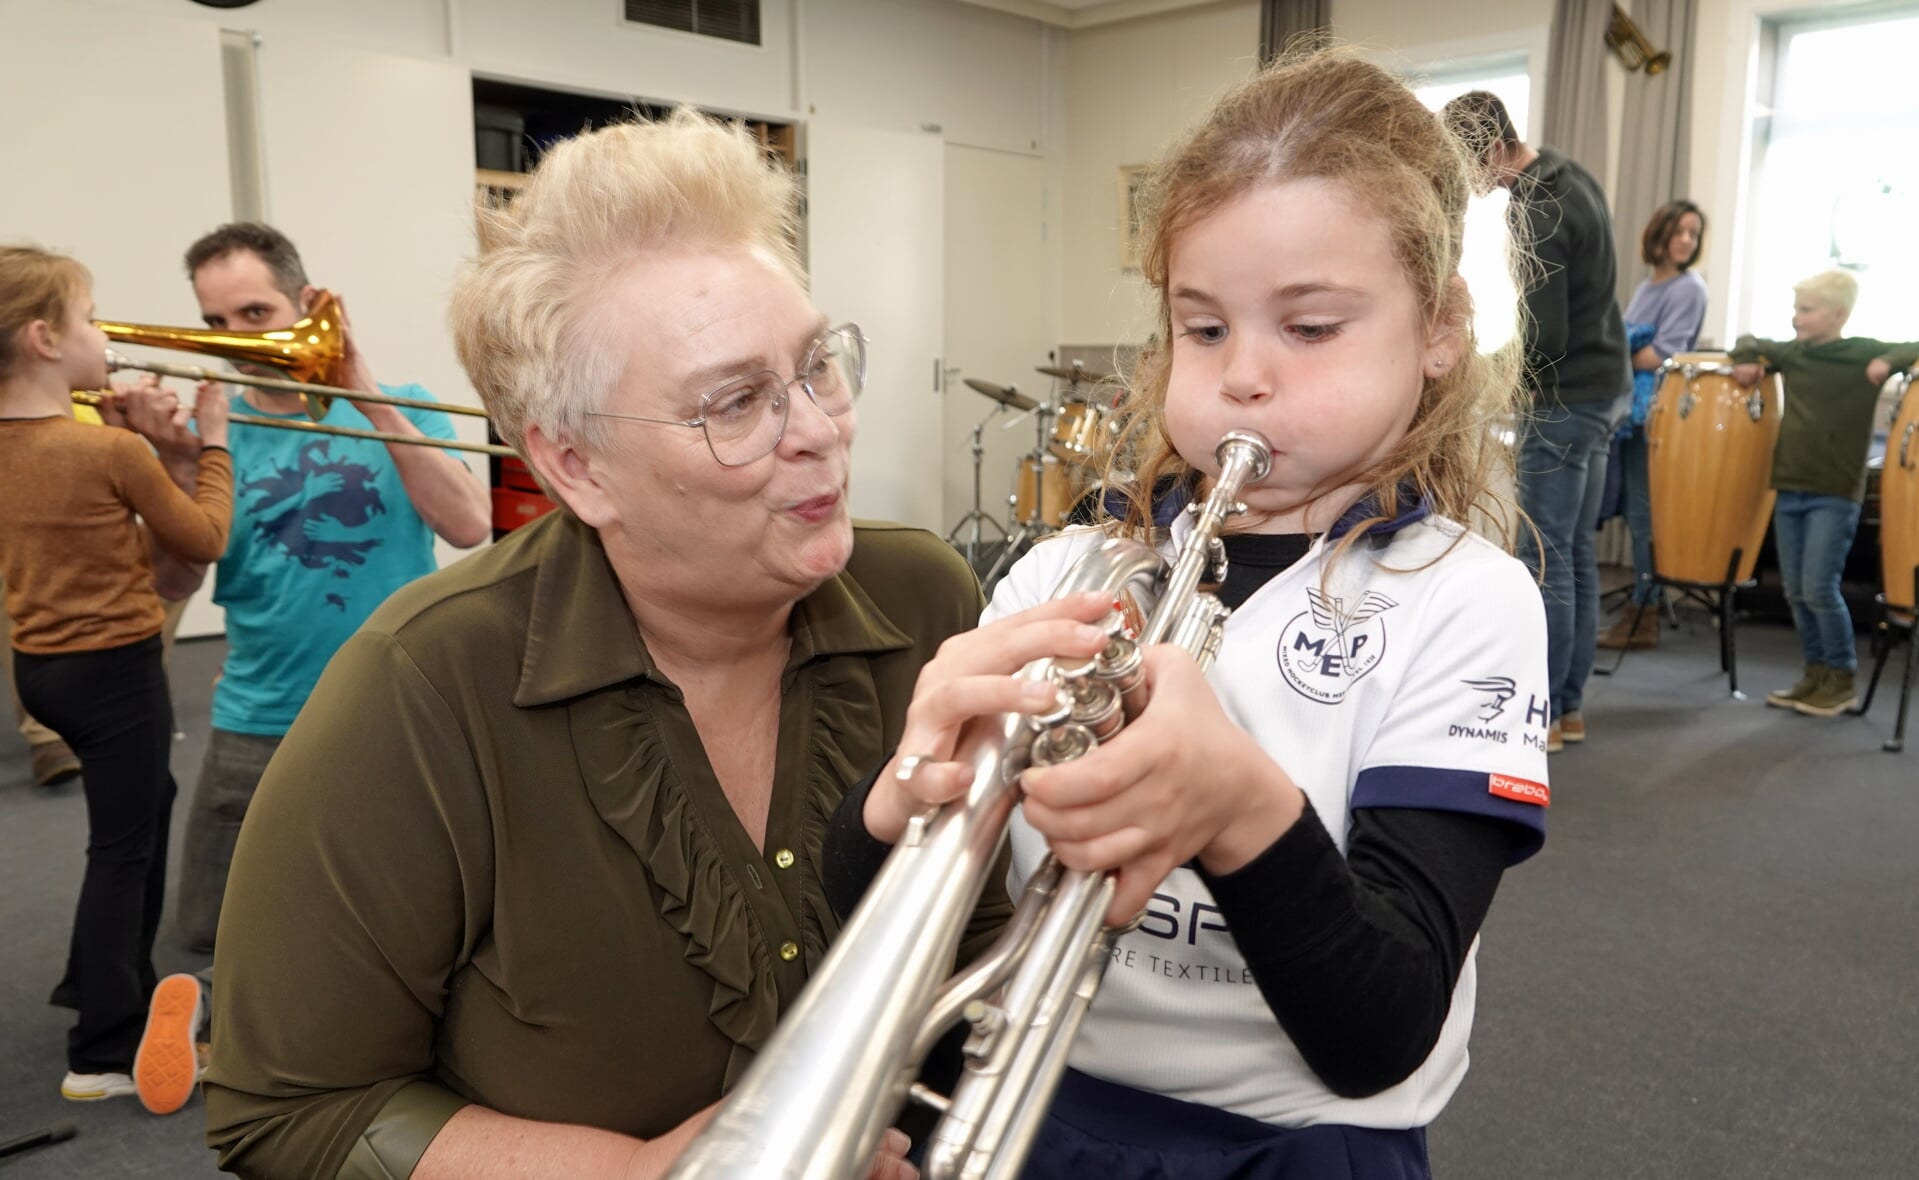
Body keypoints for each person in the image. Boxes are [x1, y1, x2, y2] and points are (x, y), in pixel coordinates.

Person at [198, 110, 1052, 1180]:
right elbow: (287, 1109)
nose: (818, 427)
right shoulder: (423, 683)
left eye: (816, 365)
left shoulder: (924, 594)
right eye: (736, 401)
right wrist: (635, 1172)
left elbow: (964, 944)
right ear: (575, 466)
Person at [845, 50, 1550, 1179]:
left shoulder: (1466, 599)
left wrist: (1236, 811)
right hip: (1028, 1108)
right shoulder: (1065, 568)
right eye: (1203, 327)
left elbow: (1378, 1031)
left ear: (1437, 328)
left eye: (1310, 328)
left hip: (1300, 1145)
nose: (1243, 378)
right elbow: (881, 921)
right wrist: (901, 801)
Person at [153, 222, 491, 955]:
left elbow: (469, 525)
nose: (233, 337)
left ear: (308, 304)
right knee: (209, 929)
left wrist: (364, 394)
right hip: (261, 708)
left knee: (411, 915)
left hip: (393, 705)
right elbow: (170, 581)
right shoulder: (212, 431)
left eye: (254, 314)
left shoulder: (402, 403)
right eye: (214, 321)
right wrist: (181, 470)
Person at [0, 245, 234, 1103]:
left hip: (42, 671)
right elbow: (203, 539)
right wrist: (209, 445)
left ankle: (91, 977)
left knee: (146, 811)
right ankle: (101, 1050)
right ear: (43, 339)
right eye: (91, 317)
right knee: (123, 846)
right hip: (115, 671)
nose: (106, 333)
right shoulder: (107, 453)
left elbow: (93, 542)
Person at [1443, 90, 1630, 753]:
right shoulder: (1569, 172)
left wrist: (1479, 367)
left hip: (1564, 396)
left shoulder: (1536, 205)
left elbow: (1542, 334)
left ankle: (1542, 712)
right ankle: (1569, 708)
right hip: (1607, 387)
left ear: (1492, 151)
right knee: (1575, 554)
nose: (1471, 188)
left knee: (1541, 558)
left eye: (1468, 170)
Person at [1731, 270, 1919, 717]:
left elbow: (1912, 347)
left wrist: (1887, 362)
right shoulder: (1793, 355)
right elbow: (1747, 339)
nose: (1796, 318)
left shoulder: (1860, 353)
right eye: (1796, 309)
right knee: (1796, 590)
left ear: (1839, 314)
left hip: (1834, 492)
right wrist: (1745, 358)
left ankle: (1841, 677)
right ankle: (1814, 674)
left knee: (1818, 587)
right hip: (1790, 486)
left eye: (1806, 310)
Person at [1598, 199, 1710, 651]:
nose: (1687, 240)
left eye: (1695, 234)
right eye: (1680, 231)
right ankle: (1641, 609)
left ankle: (1643, 614)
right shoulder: (1649, 285)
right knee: (1635, 512)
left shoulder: (1688, 288)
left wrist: (1615, 349)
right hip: (1629, 410)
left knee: (1645, 516)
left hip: (1654, 413)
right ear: (1659, 234)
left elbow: (1660, 353)